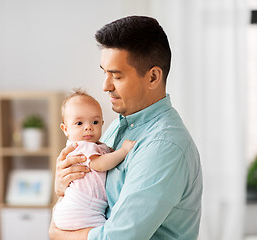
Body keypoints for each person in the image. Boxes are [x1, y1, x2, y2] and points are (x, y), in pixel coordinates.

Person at [49, 15, 203, 240]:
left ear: (152, 77)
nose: (105, 86)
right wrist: (63, 187)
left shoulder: (163, 146)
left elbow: (119, 237)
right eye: (104, 72)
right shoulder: (117, 128)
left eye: (116, 76)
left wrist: (57, 232)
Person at [52, 89, 136, 230]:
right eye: (79, 123)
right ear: (65, 129)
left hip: (78, 207)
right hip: (82, 208)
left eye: (95, 122)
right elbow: (100, 164)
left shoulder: (96, 146)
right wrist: (123, 151)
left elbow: (106, 155)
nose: (89, 127)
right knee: (106, 232)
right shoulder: (83, 147)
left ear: (102, 123)